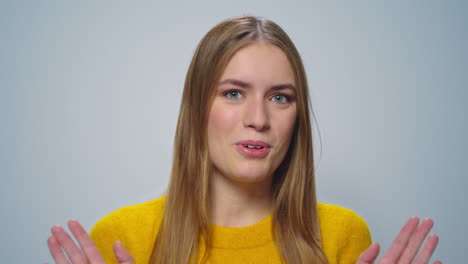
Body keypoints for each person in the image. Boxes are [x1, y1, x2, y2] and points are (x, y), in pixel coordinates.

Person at [46, 16, 441, 264]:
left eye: (280, 97)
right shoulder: (121, 238)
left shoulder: (343, 235)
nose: (258, 119)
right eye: (233, 93)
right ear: (198, 108)